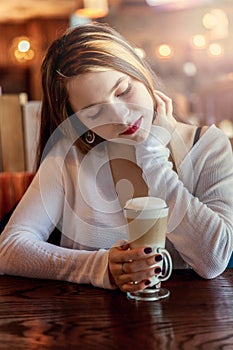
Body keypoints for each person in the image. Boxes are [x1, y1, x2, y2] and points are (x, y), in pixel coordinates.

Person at [0, 22, 233, 293]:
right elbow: (9, 248)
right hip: (91, 326)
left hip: (196, 326)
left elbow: (212, 260)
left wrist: (153, 155)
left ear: (139, 70)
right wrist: (100, 267)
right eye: (95, 113)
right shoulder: (69, 156)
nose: (122, 117)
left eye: (123, 91)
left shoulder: (207, 146)